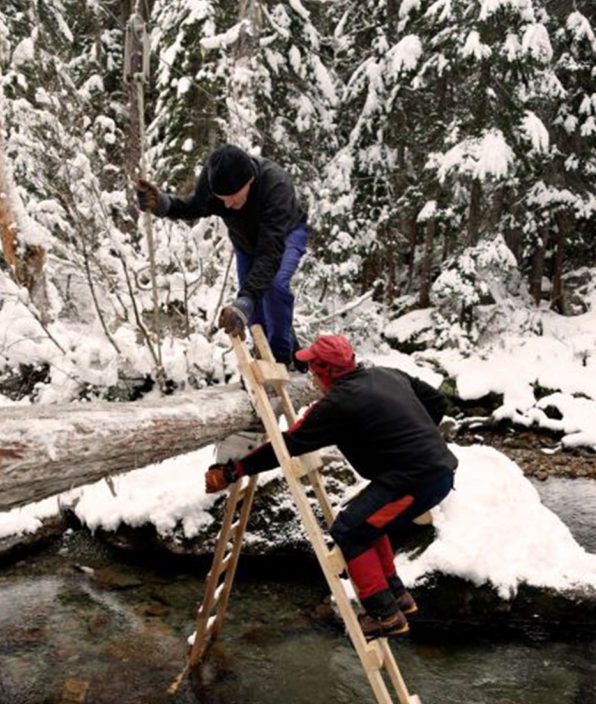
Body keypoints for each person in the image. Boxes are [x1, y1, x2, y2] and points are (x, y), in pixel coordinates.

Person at [204, 334, 458, 640]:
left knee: (349, 531)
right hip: (428, 473)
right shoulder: (386, 373)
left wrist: (234, 470)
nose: (311, 375)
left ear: (326, 371)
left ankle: (384, 615)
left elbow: (288, 445)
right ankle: (397, 596)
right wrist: (408, 438)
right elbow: (436, 401)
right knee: (363, 521)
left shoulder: (338, 404)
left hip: (418, 481)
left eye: (313, 368)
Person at [136, 144, 308, 366]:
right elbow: (195, 207)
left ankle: (281, 360)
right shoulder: (211, 183)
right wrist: (164, 204)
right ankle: (273, 352)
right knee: (251, 308)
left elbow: (270, 253)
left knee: (273, 286)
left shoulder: (276, 186)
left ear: (249, 181)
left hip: (286, 235)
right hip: (246, 243)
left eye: (233, 197)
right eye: (221, 198)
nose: (227, 204)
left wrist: (247, 298)